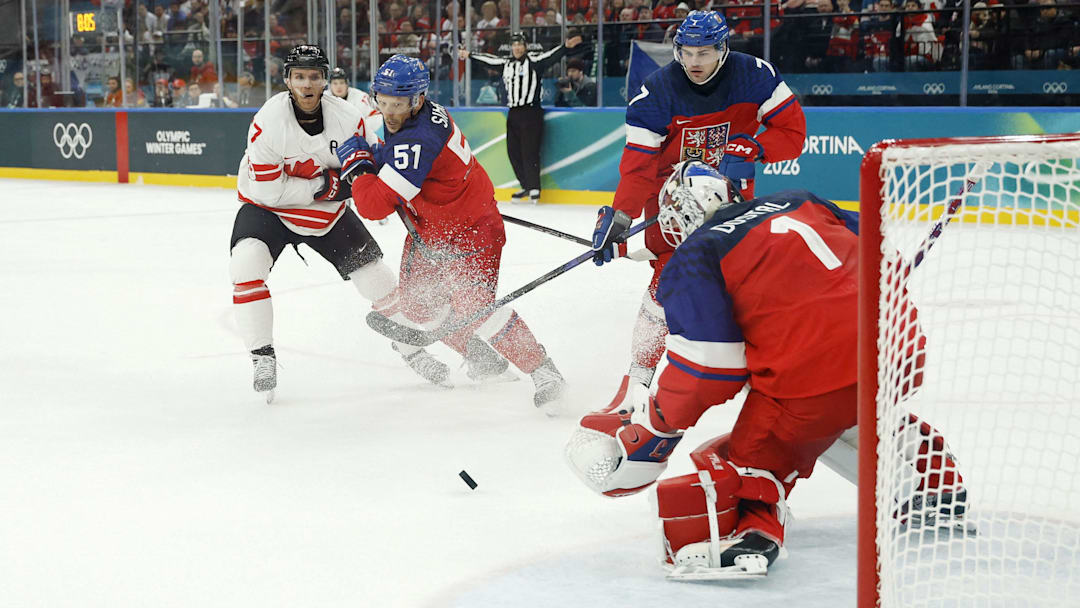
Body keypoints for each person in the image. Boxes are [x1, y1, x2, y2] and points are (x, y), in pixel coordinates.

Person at [567, 161, 967, 577]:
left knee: (756, 454)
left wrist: (657, 426)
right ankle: (930, 482)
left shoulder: (693, 257)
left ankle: (748, 537)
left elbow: (710, 367)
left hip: (817, 373)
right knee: (842, 410)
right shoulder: (799, 200)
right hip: (899, 345)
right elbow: (884, 254)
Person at [589, 10, 806, 412]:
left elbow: (793, 135)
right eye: (685, 52)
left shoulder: (755, 76)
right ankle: (636, 381)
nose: (693, 62)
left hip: (728, 192)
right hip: (669, 193)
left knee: (741, 276)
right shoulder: (656, 92)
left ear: (723, 49)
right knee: (666, 280)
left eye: (704, 52)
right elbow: (637, 164)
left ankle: (767, 375)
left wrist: (756, 147)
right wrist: (620, 217)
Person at [336, 54, 568, 410]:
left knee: (475, 306)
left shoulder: (419, 138)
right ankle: (483, 359)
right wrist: (373, 159)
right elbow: (395, 162)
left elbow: (373, 206)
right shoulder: (419, 118)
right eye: (382, 102)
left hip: (472, 230)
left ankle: (543, 370)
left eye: (398, 104)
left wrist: (359, 168)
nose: (389, 113)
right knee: (418, 308)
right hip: (432, 228)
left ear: (418, 98)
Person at [230, 45, 448, 402]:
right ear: (287, 80)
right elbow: (269, 194)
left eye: (314, 76)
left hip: (326, 214)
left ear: (326, 80)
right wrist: (325, 185)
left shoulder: (349, 117)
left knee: (376, 277)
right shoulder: (268, 123)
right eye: (299, 77)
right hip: (267, 211)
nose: (306, 84)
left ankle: (412, 349)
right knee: (246, 263)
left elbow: (368, 169)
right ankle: (262, 357)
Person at [460, 32, 584, 203]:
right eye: (514, 45)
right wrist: (469, 55)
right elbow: (489, 59)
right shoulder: (506, 63)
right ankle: (526, 186)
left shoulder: (534, 62)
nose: (517, 47)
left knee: (530, 150)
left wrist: (565, 47)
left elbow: (551, 56)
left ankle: (534, 188)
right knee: (513, 151)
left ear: (525, 46)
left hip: (531, 112)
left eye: (520, 44)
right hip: (514, 112)